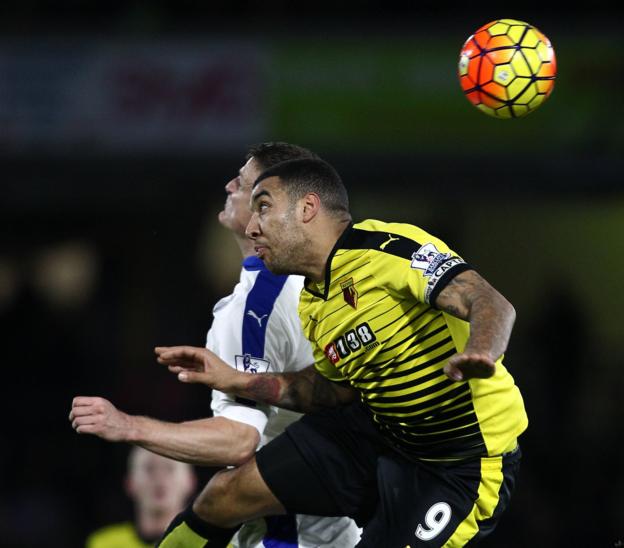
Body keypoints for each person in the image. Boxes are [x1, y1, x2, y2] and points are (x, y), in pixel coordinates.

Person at [155, 157, 528, 547]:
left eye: (263, 206)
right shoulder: (312, 301)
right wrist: (235, 380)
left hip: (459, 464)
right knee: (224, 495)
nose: (252, 226)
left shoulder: (386, 251)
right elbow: (333, 392)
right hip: (379, 432)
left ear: (307, 208)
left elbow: (489, 301)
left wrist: (481, 351)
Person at [70, 142, 360, 547]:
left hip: (292, 537)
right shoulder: (326, 283)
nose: (229, 186)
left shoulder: (258, 306)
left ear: (270, 206)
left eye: (242, 183)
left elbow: (240, 438)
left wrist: (129, 425)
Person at [85, 446, 196, 547]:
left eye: (170, 468)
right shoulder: (104, 543)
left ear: (190, 481)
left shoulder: (203, 543)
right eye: (149, 468)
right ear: (130, 483)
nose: (159, 478)